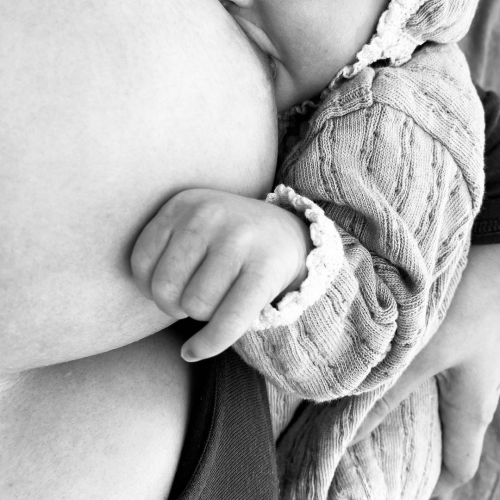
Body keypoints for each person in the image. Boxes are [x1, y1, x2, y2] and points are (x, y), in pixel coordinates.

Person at [0, 1, 499, 499]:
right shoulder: (323, 44)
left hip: (304, 441)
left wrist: (294, 257)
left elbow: (369, 320)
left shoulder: (406, 108)